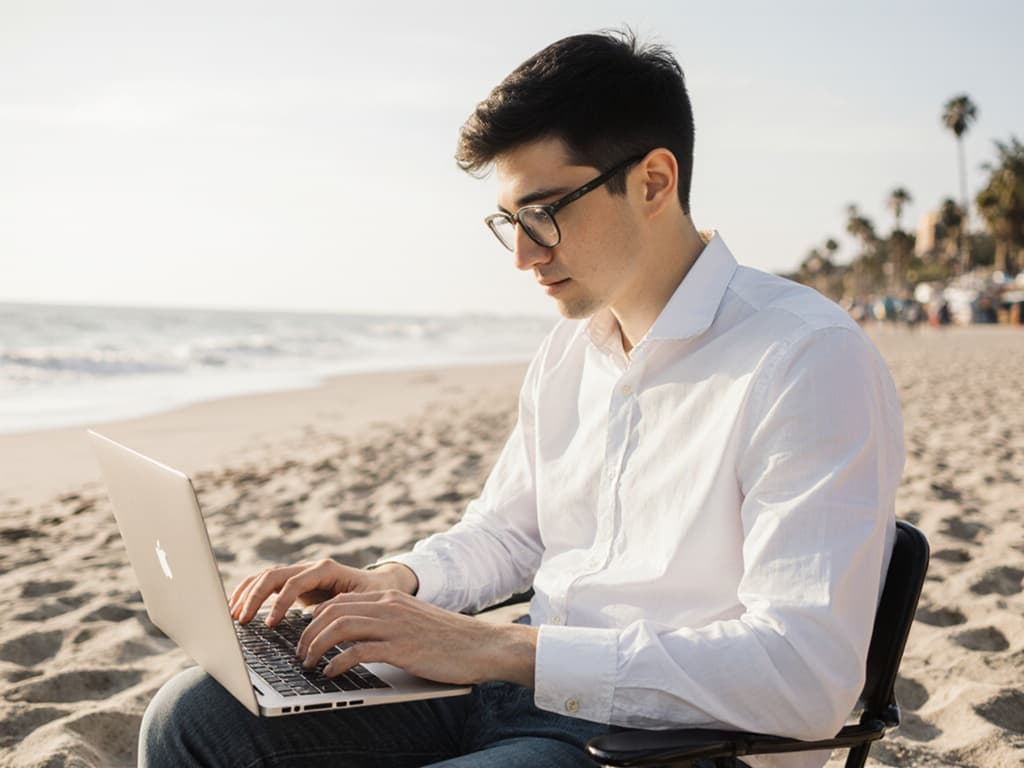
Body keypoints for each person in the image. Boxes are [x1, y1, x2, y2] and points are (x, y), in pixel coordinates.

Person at [139, 29, 904, 768]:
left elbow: (804, 675)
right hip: (515, 684)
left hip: (667, 742)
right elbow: (511, 531)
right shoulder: (573, 348)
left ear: (654, 182)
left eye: (542, 214)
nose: (522, 255)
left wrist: (500, 648)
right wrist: (396, 581)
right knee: (193, 719)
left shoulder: (805, 357)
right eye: (509, 221)